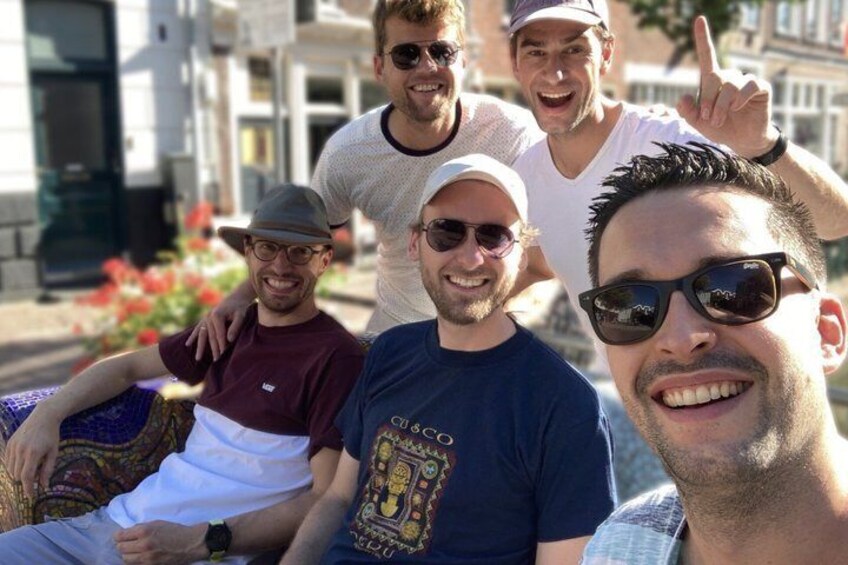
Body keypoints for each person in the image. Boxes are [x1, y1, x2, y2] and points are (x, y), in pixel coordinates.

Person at [279, 154, 616, 565]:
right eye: (446, 232)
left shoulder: (565, 406)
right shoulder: (389, 352)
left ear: (522, 255)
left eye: (494, 237)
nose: (471, 258)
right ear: (415, 242)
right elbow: (338, 497)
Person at [0, 185, 365, 564]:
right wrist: (48, 412)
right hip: (113, 527)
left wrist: (203, 540)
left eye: (300, 252)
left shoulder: (336, 358)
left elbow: (325, 498)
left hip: (203, 552)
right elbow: (126, 368)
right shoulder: (228, 330)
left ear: (324, 261)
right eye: (267, 248)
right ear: (248, 252)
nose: (281, 265)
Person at [193, 0, 543, 360]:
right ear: (379, 67)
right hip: (399, 335)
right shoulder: (349, 153)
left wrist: (479, 308)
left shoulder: (513, 134)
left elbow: (549, 244)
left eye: (442, 52)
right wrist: (239, 298)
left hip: (499, 330)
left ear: (463, 60)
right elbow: (304, 242)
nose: (427, 67)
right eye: (406, 55)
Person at [574, 142, 848, 563]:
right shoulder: (619, 544)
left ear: (826, 333)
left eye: (732, 288)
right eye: (631, 307)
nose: (681, 338)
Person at [508, 0, 848, 338]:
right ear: (515, 64)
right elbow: (540, 263)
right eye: (536, 52)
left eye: (574, 50)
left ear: (606, 54)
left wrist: (762, 145)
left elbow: (836, 221)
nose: (554, 72)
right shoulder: (524, 180)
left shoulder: (670, 142)